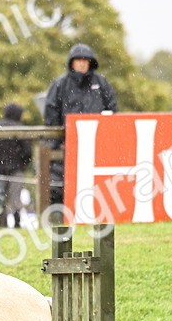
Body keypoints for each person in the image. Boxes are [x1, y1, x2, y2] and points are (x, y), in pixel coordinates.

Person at [43, 43, 118, 205]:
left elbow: (112, 111)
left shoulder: (102, 84)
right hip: (67, 147)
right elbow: (51, 114)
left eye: (86, 60)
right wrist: (57, 142)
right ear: (72, 62)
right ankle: (59, 223)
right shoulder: (60, 85)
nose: (82, 63)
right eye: (79, 60)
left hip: (97, 146)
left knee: (98, 188)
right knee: (59, 188)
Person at [0, 102, 31, 227]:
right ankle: (16, 223)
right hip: (16, 169)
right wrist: (23, 164)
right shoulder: (21, 128)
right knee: (16, 198)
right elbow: (27, 151)